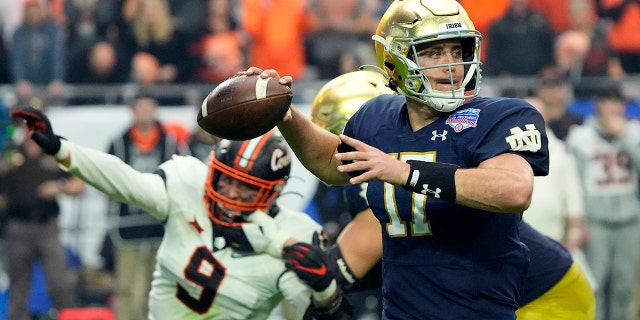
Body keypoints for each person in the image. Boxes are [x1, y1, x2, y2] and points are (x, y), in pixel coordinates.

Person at [247, 0, 550, 318]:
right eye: (434, 52)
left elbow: (515, 190)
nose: (451, 66)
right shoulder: (377, 117)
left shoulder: (501, 115)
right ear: (394, 62)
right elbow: (330, 163)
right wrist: (286, 114)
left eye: (457, 52)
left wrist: (405, 172)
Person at [293, 70, 595, 320]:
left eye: (338, 132)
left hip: (545, 294)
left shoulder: (409, 158)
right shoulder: (386, 152)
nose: (340, 142)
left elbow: (340, 271)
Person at [10, 107, 352, 320]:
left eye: (245, 187)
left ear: (272, 190)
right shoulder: (188, 184)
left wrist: (325, 290)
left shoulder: (294, 234)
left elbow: (326, 314)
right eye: (225, 179)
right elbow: (122, 180)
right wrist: (61, 148)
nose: (230, 193)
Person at [103, 92, 184, 320]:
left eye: (149, 107)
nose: (145, 112)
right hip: (127, 224)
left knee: (159, 286)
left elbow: (181, 178)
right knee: (126, 286)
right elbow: (107, 179)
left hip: (160, 224)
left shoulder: (169, 142)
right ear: (132, 111)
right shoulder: (119, 144)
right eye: (140, 108)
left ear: (155, 109)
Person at [565, 79, 640, 320]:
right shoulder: (580, 136)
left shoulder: (635, 132)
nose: (612, 107)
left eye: (617, 101)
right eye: (607, 101)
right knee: (594, 284)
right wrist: (577, 220)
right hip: (595, 221)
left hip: (629, 220)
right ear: (598, 104)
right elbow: (572, 181)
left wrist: (624, 137)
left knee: (623, 286)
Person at [0, 119, 85, 320]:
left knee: (59, 283)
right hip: (17, 225)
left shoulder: (53, 151)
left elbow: (79, 183)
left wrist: (60, 187)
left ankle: (67, 316)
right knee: (18, 286)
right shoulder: (11, 152)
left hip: (47, 225)